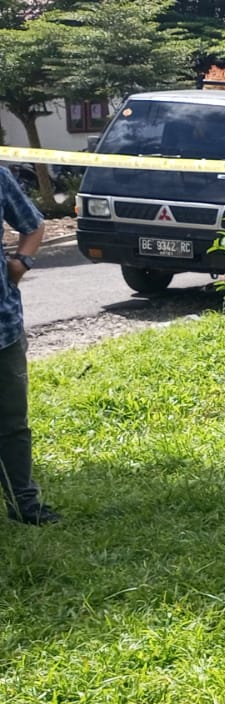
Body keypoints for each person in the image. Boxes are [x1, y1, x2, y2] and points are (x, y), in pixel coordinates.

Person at [1, 168, 59, 525]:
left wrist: (21, 263)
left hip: (2, 327)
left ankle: (25, 507)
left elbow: (33, 225)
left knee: (11, 424)